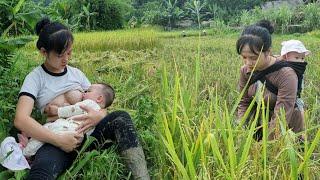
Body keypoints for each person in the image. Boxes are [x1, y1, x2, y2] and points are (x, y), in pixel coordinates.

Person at [14, 18, 149, 180]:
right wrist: (59, 140)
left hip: (88, 136)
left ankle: (142, 177)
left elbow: (98, 101)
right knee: (41, 171)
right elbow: (21, 119)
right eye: (60, 55)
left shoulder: (76, 74)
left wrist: (100, 115)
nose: (66, 59)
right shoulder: (35, 78)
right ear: (44, 52)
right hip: (58, 138)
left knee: (121, 117)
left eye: (69, 52)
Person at [236, 23, 305, 140]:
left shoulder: (286, 74)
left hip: (287, 128)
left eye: (253, 58)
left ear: (268, 52)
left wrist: (265, 146)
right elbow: (244, 102)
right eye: (244, 57)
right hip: (260, 123)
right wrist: (242, 130)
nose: (248, 63)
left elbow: (281, 116)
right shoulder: (245, 71)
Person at [22, 83, 115, 157]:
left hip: (66, 127)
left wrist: (58, 110)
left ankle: (25, 152)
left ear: (99, 98)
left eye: (88, 91)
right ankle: (31, 152)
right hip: (76, 134)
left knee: (44, 132)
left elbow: (74, 109)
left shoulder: (89, 103)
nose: (84, 93)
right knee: (45, 134)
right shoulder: (96, 110)